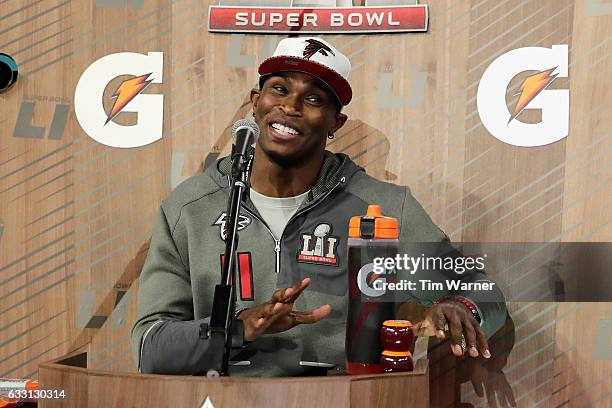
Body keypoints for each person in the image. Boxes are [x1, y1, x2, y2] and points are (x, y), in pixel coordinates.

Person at [131, 37, 507, 376]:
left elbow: (484, 293)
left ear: (335, 123)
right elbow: (151, 348)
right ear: (255, 102)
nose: (290, 106)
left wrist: (462, 309)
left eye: (313, 99)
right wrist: (239, 328)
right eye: (279, 89)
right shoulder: (189, 208)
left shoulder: (386, 208)